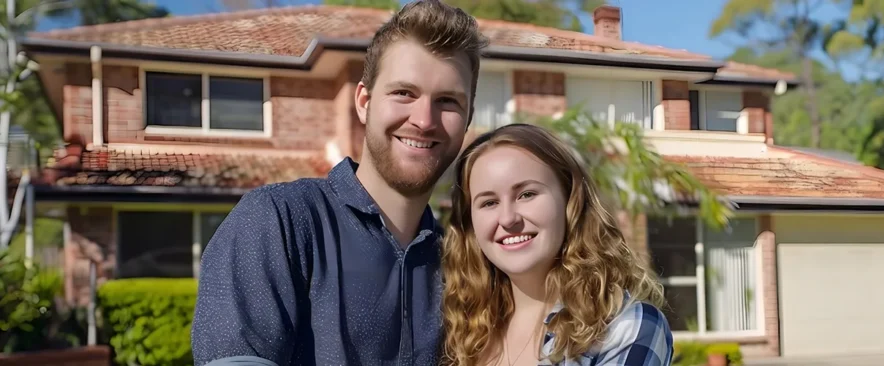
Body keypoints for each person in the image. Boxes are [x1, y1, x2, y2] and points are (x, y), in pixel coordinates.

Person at [190, 1, 488, 365]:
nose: (424, 120)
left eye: (448, 101)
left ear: (468, 118)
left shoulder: (462, 265)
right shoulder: (281, 221)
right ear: (364, 102)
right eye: (403, 93)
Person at [440, 123, 674, 366]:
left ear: (570, 200)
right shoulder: (456, 331)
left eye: (527, 194)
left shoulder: (624, 328)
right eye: (489, 203)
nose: (508, 219)